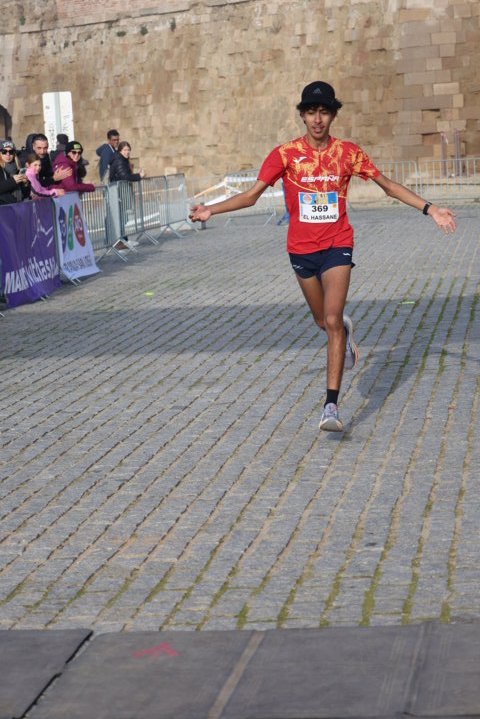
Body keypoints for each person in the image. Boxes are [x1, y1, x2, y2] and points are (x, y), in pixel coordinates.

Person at [189, 81, 456, 432]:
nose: (318, 119)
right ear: (302, 115)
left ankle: (331, 405)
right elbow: (252, 196)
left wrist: (430, 208)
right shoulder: (285, 154)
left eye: (324, 112)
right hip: (301, 251)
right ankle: (344, 330)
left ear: (333, 116)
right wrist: (211, 209)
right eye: (312, 112)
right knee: (323, 322)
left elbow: (388, 186)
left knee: (331, 319)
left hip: (337, 246)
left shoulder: (348, 153)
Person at [109, 141, 146, 250]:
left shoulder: (123, 160)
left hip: (121, 191)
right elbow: (124, 176)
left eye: (128, 150)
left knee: (123, 217)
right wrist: (139, 176)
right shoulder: (119, 160)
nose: (127, 152)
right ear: (120, 151)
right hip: (118, 191)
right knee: (120, 217)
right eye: (125, 150)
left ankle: (123, 240)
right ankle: (119, 241)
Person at [0, 140, 29, 204]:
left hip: (18, 204)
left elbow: (26, 194)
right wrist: (13, 181)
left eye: (11, 152)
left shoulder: (18, 168)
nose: (8, 154)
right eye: (4, 151)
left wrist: (25, 184)